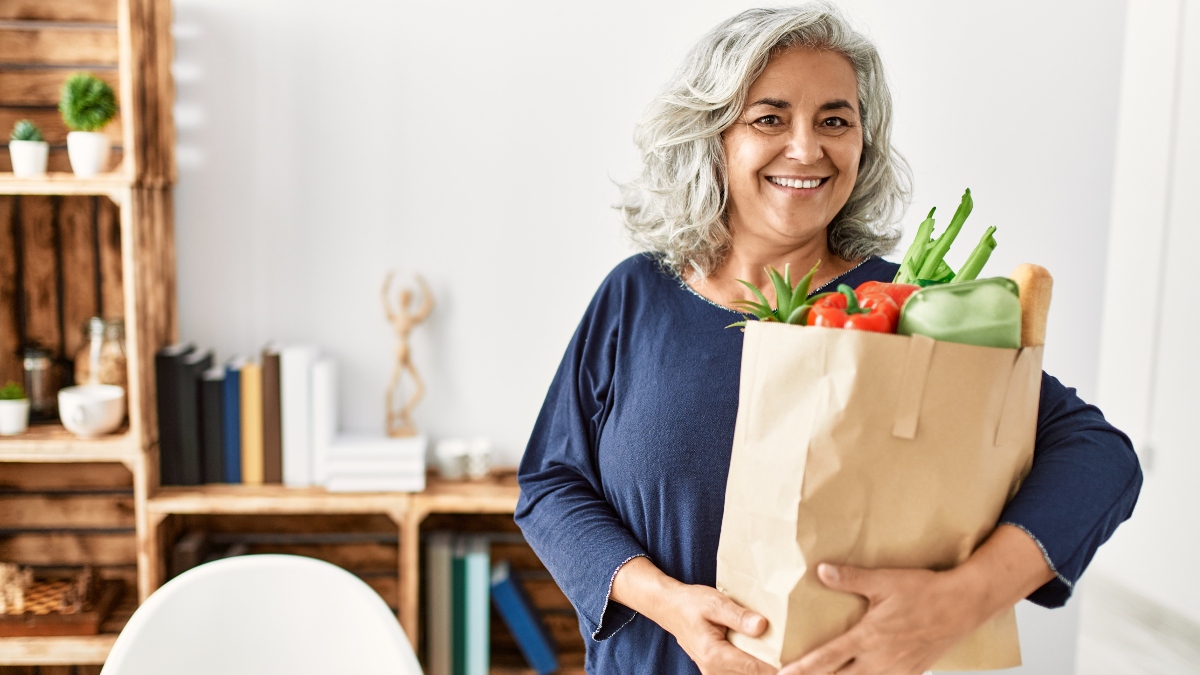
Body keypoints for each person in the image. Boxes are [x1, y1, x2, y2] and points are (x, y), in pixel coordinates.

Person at [514, 4, 1142, 674]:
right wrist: (670, 604)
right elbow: (551, 483)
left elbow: (1100, 457)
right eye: (770, 117)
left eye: (835, 120)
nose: (808, 148)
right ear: (714, 134)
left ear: (862, 142)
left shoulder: (907, 311)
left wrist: (960, 599)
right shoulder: (637, 296)